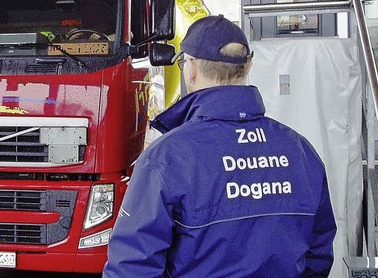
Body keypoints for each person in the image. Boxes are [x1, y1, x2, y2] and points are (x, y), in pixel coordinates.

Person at [103, 15, 336, 278]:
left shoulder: (166, 159)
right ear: (248, 66)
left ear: (189, 68)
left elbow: (132, 267)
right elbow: (318, 255)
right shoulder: (300, 150)